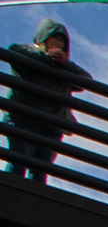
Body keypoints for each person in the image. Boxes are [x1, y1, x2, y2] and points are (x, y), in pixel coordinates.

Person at [2, 19, 88, 185]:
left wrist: (65, 65)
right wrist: (45, 58)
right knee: (17, 164)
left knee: (40, 172)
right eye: (53, 38)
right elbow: (14, 51)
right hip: (22, 119)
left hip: (51, 126)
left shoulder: (65, 66)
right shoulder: (27, 51)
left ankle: (32, 206)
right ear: (42, 39)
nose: (57, 43)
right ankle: (8, 200)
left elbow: (86, 80)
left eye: (61, 41)